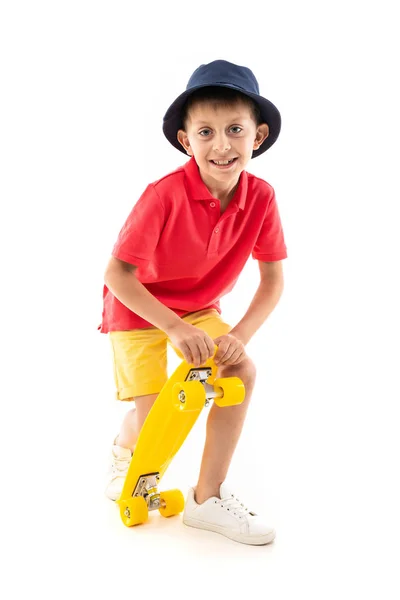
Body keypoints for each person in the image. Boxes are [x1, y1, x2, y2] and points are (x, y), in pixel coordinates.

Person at [99, 59, 287, 545]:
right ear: (186, 140)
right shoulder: (162, 195)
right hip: (139, 307)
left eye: (235, 130)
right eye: (206, 132)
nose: (222, 145)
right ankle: (126, 452)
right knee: (157, 416)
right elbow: (118, 275)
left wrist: (238, 337)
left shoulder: (262, 197)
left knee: (241, 370)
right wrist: (175, 330)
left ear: (258, 136)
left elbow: (271, 281)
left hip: (199, 308)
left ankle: (207, 499)